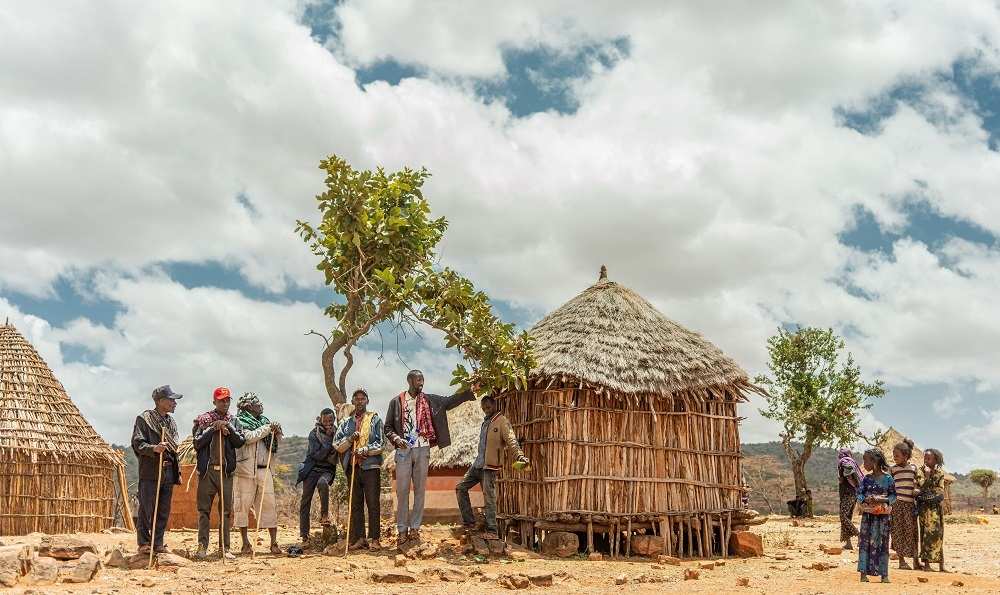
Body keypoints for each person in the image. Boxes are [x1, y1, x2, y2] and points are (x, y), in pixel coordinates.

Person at [384, 370, 474, 546]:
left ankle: (415, 529)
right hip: (403, 451)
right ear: (409, 380)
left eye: (423, 380)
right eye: (418, 380)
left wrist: (469, 391)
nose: (421, 383)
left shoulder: (430, 400)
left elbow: (450, 401)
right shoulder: (396, 402)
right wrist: (396, 439)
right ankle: (402, 530)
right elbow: (388, 427)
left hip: (423, 449)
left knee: (419, 491)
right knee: (402, 492)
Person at [455, 395, 529, 539]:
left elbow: (512, 441)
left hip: (490, 466)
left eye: (488, 407)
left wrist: (519, 456)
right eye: (483, 409)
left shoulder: (502, 421)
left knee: (489, 498)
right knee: (460, 488)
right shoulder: (485, 422)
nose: (486, 411)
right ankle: (469, 522)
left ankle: (492, 531)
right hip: (477, 464)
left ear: (494, 405)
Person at [192, 387, 246, 560]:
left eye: (228, 400)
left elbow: (240, 442)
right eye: (221, 400)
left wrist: (227, 427)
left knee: (226, 512)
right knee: (204, 511)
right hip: (208, 472)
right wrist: (213, 429)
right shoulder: (203, 420)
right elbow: (198, 442)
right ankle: (202, 547)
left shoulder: (234, 420)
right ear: (214, 402)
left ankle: (225, 548)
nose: (225, 403)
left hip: (226, 473)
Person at [131, 385, 183, 554]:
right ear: (160, 401)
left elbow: (174, 446)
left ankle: (158, 543)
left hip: (168, 470)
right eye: (171, 400)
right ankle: (144, 543)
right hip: (151, 471)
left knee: (163, 509)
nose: (175, 403)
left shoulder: (171, 423)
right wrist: (154, 448)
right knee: (147, 508)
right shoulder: (144, 419)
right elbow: (137, 443)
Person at [334, 389, 385, 551]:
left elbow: (381, 444)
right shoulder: (346, 423)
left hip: (371, 467)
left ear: (367, 401)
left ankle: (375, 539)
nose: (360, 401)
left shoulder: (375, 420)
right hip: (353, 467)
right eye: (357, 399)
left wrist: (365, 450)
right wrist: (350, 439)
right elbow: (337, 444)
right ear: (353, 402)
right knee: (355, 504)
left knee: (373, 503)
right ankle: (360, 538)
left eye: (363, 399)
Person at [233, 392, 282, 555]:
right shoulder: (239, 421)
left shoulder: (264, 421)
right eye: (257, 403)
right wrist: (268, 428)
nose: (260, 405)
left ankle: (274, 543)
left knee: (269, 505)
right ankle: (245, 543)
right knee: (243, 506)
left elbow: (276, 442)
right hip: (245, 471)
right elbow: (248, 437)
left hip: (264, 469)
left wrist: (276, 431)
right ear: (248, 406)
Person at [297, 407, 339, 548]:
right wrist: (328, 443)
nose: (328, 423)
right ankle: (305, 536)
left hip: (327, 470)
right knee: (305, 501)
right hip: (312, 469)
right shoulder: (314, 434)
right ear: (321, 420)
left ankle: (324, 515)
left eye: (331, 420)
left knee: (323, 483)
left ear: (334, 420)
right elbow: (317, 455)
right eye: (325, 420)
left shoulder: (338, 433)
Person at [856, 448, 896, 583]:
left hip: (883, 518)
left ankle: (884, 575)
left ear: (875, 461)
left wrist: (881, 500)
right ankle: (863, 574)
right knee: (865, 543)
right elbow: (859, 494)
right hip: (868, 517)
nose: (863, 463)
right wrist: (866, 499)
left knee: (883, 543)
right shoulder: (866, 479)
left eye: (865, 460)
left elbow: (893, 496)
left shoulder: (888, 478)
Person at [889, 438, 919, 570]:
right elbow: (890, 487)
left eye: (897, 456)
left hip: (910, 505)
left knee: (911, 531)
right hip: (897, 505)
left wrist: (916, 490)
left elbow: (917, 483)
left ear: (906, 456)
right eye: (894, 456)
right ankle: (901, 560)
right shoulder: (892, 470)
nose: (895, 458)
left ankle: (916, 561)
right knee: (898, 531)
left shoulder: (913, 468)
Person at [917, 448, 947, 572]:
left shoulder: (940, 473)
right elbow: (921, 487)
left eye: (929, 458)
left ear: (936, 460)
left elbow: (941, 491)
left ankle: (941, 565)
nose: (926, 460)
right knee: (926, 534)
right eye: (925, 458)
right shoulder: (921, 471)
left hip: (936, 508)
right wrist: (928, 477)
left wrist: (928, 493)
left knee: (939, 534)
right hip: (925, 509)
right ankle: (927, 565)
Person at [837, 447, 862, 550]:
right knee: (847, 516)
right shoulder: (852, 462)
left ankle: (858, 534)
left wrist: (844, 477)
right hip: (853, 493)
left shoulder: (844, 461)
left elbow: (848, 469)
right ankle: (848, 543)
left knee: (843, 516)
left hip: (848, 493)